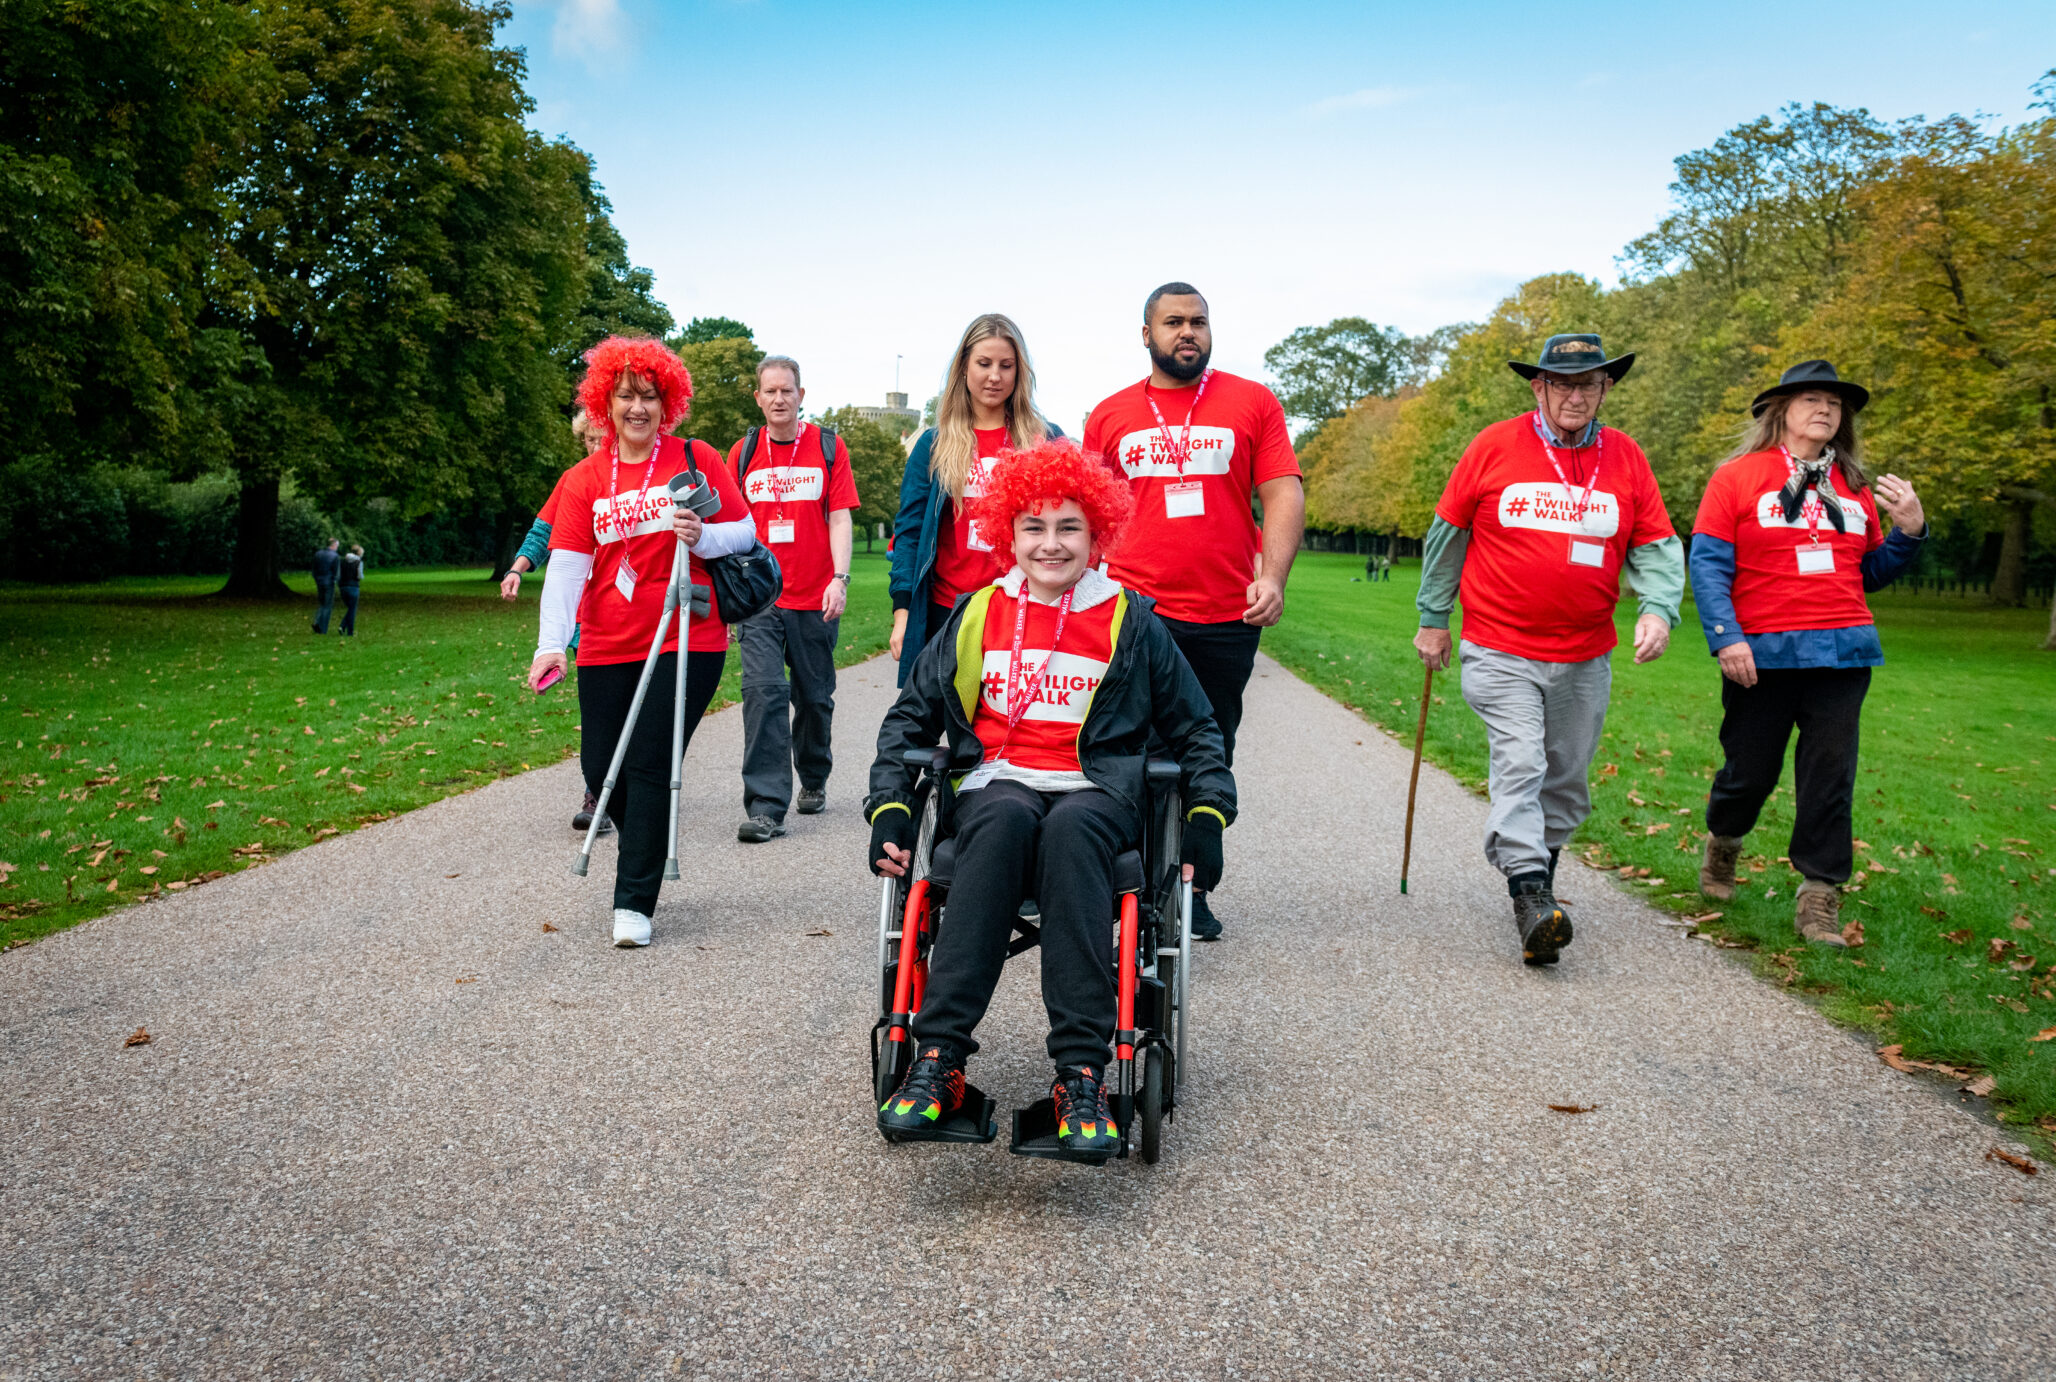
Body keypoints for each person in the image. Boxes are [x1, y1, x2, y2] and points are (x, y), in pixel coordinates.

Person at [866, 438, 1235, 1156]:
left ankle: (1082, 1072)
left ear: (1099, 532)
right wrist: (891, 805)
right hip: (996, 785)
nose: (1051, 543)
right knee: (1001, 816)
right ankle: (937, 1060)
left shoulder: (1132, 621)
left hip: (1092, 792)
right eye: (1033, 527)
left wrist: (1208, 816)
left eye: (1070, 527)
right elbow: (908, 719)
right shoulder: (976, 613)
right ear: (1008, 533)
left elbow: (1197, 728)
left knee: (1071, 831)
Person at [1412, 334, 1683, 966]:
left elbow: (1656, 545)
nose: (1576, 395)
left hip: (1585, 654)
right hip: (1499, 645)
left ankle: (1542, 883)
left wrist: (1657, 609)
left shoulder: (1627, 458)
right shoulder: (1492, 446)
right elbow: (1447, 537)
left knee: (1565, 780)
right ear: (1539, 387)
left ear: (1605, 390)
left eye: (1589, 383)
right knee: (1522, 762)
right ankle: (1530, 895)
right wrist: (1433, 619)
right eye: (1562, 383)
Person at [1081, 282, 1304, 941]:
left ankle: (1192, 886)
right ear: (1145, 335)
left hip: (1223, 614)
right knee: (1133, 748)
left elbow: (1282, 491)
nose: (1188, 332)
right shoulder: (1111, 414)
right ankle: (1132, 883)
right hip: (1136, 611)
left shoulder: (1252, 403)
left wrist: (1274, 575)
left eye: (1198, 322)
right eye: (1173, 322)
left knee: (1209, 746)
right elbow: (1088, 512)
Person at [527, 335, 758, 948]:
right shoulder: (583, 478)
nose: (638, 408)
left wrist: (702, 536)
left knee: (652, 761)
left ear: (667, 402)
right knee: (602, 767)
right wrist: (551, 645)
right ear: (605, 403)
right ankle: (645, 846)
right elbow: (568, 567)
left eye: (650, 396)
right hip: (606, 639)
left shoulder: (696, 456)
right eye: (626, 396)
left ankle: (633, 901)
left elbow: (744, 531)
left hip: (687, 635)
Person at [1688, 360, 1927, 946]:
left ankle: (1819, 894)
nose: (1825, 410)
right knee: (1749, 772)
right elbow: (1709, 563)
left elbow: (1868, 572)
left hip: (1843, 653)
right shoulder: (1738, 477)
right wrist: (1727, 636)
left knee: (1829, 778)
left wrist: (1909, 531)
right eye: (1813, 399)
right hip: (1761, 654)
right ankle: (1724, 842)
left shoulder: (1854, 487)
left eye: (1835, 404)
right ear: (1782, 411)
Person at [887, 313, 1060, 682]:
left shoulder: (1044, 440)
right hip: (946, 611)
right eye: (984, 363)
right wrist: (902, 613)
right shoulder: (932, 446)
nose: (995, 376)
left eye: (1006, 365)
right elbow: (910, 533)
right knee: (930, 730)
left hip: (1021, 609)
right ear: (964, 368)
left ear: (1020, 373)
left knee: (1003, 731)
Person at [731, 355, 860, 842]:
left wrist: (840, 579)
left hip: (814, 596)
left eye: (788, 390)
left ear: (801, 396)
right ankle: (766, 806)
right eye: (771, 391)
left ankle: (814, 774)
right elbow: (730, 526)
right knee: (763, 693)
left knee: (813, 698)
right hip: (760, 600)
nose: (779, 399)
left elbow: (840, 517)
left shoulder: (828, 447)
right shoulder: (742, 453)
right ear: (759, 397)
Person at [502, 415, 610, 836]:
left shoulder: (641, 476)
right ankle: (596, 794)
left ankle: (636, 781)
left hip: (638, 610)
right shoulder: (575, 479)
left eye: (602, 438)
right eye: (588, 440)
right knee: (598, 707)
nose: (595, 446)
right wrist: (518, 568)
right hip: (587, 615)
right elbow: (542, 530)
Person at [311, 539, 340, 633]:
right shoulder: (335, 556)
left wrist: (316, 579)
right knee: (327, 605)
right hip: (329, 582)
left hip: (319, 581)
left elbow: (314, 569)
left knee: (322, 603)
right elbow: (336, 572)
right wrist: (336, 581)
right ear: (334, 545)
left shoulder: (318, 554)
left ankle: (317, 621)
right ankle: (323, 627)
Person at [336, 545, 363, 635]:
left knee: (350, 609)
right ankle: (349, 631)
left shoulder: (342, 561)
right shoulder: (358, 562)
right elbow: (359, 576)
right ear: (359, 553)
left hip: (343, 587)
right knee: (352, 609)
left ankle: (343, 626)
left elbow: (338, 575)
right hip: (353, 587)